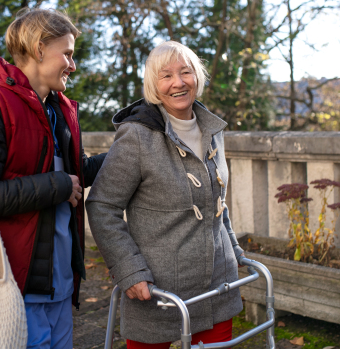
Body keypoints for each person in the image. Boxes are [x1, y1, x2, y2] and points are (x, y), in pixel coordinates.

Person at [0, 8, 106, 349]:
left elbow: (72, 171)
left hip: (57, 281)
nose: (72, 65)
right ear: (39, 48)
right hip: (15, 284)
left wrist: (127, 154)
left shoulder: (56, 107)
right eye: (68, 54)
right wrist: (57, 186)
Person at [86, 41, 245, 348]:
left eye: (186, 72)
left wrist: (233, 250)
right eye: (167, 76)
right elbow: (102, 206)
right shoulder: (136, 135)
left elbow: (217, 202)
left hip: (217, 286)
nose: (178, 82)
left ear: (197, 77)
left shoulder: (213, 129)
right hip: (158, 291)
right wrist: (129, 271)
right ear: (154, 85)